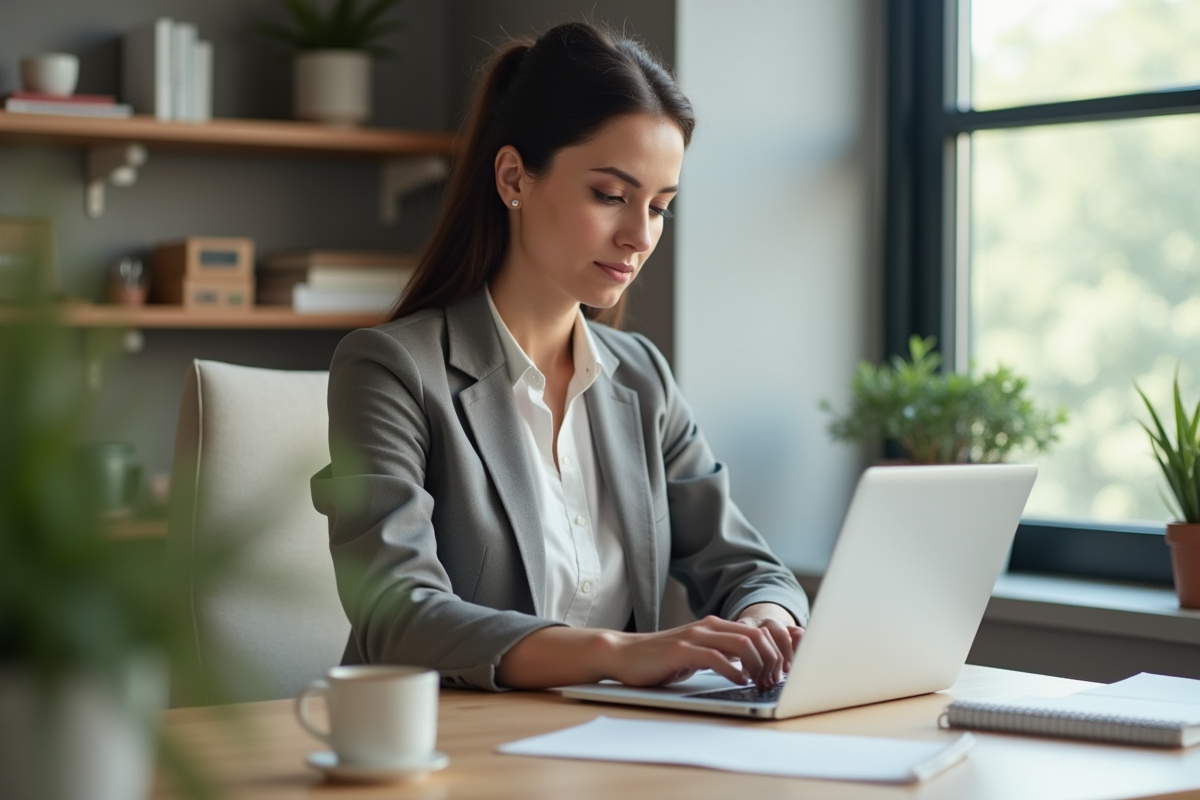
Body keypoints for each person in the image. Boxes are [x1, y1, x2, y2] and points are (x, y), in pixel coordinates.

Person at [311, 21, 808, 693]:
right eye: (610, 195)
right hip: (448, 751)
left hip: (607, 747)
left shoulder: (641, 378)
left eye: (661, 206)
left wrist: (768, 621)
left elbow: (748, 566)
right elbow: (397, 613)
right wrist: (617, 653)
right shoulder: (390, 369)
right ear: (514, 176)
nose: (639, 235)